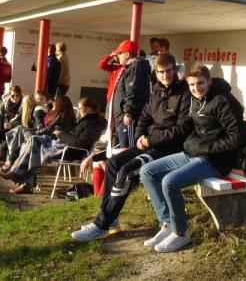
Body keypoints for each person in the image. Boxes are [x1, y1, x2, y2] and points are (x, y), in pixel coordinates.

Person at [71, 54, 191, 242]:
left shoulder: (185, 93)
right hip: (149, 143)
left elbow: (181, 130)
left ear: (175, 70)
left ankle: (102, 224)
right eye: (161, 72)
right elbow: (144, 115)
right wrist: (140, 136)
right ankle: (109, 220)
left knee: (126, 171)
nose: (165, 75)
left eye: (168, 71)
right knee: (112, 164)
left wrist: (150, 140)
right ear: (156, 73)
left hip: (169, 149)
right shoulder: (157, 91)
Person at [140, 65, 246, 253]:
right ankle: (167, 224)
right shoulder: (196, 100)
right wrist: (192, 144)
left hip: (215, 161)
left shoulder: (223, 101)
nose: (196, 88)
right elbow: (195, 131)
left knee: (169, 182)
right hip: (195, 155)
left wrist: (205, 148)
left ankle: (181, 233)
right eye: (191, 84)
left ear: (209, 81)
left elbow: (238, 139)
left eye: (200, 83)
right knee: (147, 171)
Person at [0, 96, 80, 194]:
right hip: (53, 141)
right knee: (31, 143)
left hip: (57, 145)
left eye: (55, 103)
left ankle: (17, 174)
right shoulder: (67, 115)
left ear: (60, 104)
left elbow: (49, 128)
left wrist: (36, 132)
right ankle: (22, 180)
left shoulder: (62, 115)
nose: (53, 105)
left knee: (31, 142)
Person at [108, 40, 151, 151]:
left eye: (119, 54)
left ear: (127, 54)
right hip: (123, 118)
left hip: (129, 118)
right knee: (124, 149)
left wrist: (129, 112)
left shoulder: (136, 67)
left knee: (129, 150)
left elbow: (133, 91)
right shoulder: (131, 68)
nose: (117, 57)